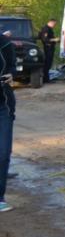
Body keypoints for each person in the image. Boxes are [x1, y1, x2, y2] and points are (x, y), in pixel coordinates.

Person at [1, 30, 16, 211]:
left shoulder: (4, 42)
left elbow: (12, 66)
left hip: (3, 106)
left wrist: (12, 74)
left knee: (4, 153)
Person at [37, 19, 57, 85]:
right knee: (47, 63)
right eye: (54, 24)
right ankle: (45, 79)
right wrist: (54, 39)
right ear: (51, 22)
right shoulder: (46, 29)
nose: (54, 26)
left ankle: (46, 78)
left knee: (48, 63)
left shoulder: (49, 29)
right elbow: (45, 39)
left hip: (50, 47)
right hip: (48, 48)